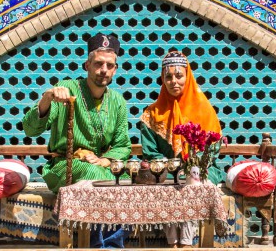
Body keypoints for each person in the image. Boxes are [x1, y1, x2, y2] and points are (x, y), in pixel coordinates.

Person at [22, 33, 132, 248]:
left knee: (127, 183)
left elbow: (122, 145)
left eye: (109, 65)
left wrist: (105, 160)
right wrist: (47, 98)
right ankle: (100, 246)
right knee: (96, 177)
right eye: (98, 64)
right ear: (87, 65)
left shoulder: (118, 101)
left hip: (101, 166)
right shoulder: (66, 89)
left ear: (115, 69)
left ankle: (114, 243)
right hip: (65, 166)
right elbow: (30, 129)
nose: (104, 70)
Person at [140, 50, 224, 248]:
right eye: (168, 77)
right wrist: (172, 167)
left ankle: (186, 242)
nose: (173, 81)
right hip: (166, 170)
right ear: (162, 79)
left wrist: (192, 165)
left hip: (201, 169)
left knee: (191, 184)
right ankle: (172, 242)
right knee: (167, 187)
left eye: (179, 76)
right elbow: (150, 152)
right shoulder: (152, 113)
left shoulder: (204, 109)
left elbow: (213, 148)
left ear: (188, 76)